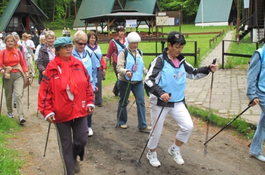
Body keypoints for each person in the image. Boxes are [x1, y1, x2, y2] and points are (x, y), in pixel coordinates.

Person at [144, 31, 217, 167]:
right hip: (160, 102)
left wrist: (208, 69)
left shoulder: (182, 62)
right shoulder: (159, 61)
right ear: (169, 45)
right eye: (177, 47)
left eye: (181, 47)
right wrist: (161, 93)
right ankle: (151, 152)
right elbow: (148, 80)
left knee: (188, 126)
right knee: (157, 130)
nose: (179, 50)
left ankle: (174, 148)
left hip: (177, 101)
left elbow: (194, 73)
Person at [38, 37, 95, 174]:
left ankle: (75, 156)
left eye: (70, 46)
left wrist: (89, 101)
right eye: (65, 47)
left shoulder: (78, 65)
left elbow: (87, 84)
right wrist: (47, 111)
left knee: (81, 139)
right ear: (58, 51)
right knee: (66, 144)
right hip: (60, 112)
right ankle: (69, 171)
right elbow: (44, 93)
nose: (69, 49)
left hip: (80, 109)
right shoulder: (51, 69)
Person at [116, 31, 151, 132]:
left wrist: (147, 72)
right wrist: (126, 72)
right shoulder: (123, 53)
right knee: (124, 101)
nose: (135, 45)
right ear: (129, 43)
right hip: (125, 82)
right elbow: (119, 67)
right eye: (133, 43)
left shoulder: (139, 52)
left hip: (138, 82)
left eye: (137, 43)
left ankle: (142, 124)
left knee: (141, 101)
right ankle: (121, 121)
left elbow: (141, 66)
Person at [0, 34, 30, 124]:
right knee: (8, 95)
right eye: (8, 41)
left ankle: (21, 116)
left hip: (18, 74)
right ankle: (10, 111)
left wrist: (26, 73)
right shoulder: (2, 52)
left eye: (12, 41)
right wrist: (1, 70)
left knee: (18, 95)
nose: (10, 43)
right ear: (5, 42)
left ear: (14, 42)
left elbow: (23, 63)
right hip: (8, 75)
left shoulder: (18, 52)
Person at [72, 31, 97, 137]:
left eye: (84, 43)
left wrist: (94, 83)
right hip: (75, 86)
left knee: (89, 105)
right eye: (80, 43)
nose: (82, 46)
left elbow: (94, 69)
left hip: (89, 84)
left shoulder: (89, 53)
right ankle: (76, 127)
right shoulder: (70, 55)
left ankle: (88, 125)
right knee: (76, 106)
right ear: (75, 42)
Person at [247, 43, 265, 162]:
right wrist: (252, 95)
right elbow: (251, 76)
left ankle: (255, 150)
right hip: (262, 93)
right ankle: (255, 149)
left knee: (264, 123)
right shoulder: (260, 54)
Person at [106, 26, 128, 96]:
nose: (122, 33)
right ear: (117, 32)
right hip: (117, 62)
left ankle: (116, 90)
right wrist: (106, 63)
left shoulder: (127, 40)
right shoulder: (113, 42)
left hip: (126, 61)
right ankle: (122, 93)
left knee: (124, 77)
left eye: (122, 31)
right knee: (119, 76)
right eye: (120, 31)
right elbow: (109, 52)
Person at [86, 31, 106, 107]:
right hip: (89, 68)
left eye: (94, 38)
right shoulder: (86, 47)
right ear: (88, 39)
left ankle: (98, 100)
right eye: (91, 38)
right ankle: (90, 99)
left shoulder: (98, 47)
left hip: (98, 67)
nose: (93, 39)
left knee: (98, 84)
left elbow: (101, 58)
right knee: (90, 84)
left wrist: (103, 67)